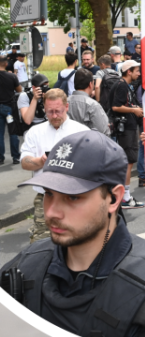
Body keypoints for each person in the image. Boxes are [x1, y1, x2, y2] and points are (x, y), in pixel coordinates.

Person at [0, 133, 145, 337]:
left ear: (113, 199)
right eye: (49, 194)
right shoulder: (23, 267)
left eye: (73, 197)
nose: (52, 212)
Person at [20, 88, 88, 243]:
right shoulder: (35, 132)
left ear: (67, 107)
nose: (55, 116)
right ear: (44, 109)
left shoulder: (82, 132)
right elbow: (25, 162)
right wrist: (41, 161)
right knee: (41, 243)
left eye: (58, 111)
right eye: (50, 112)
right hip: (45, 196)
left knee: (76, 240)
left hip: (74, 196)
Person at [108, 60, 145, 209]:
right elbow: (116, 106)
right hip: (126, 129)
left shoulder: (124, 85)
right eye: (137, 71)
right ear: (129, 71)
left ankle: (124, 195)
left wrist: (133, 107)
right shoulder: (122, 85)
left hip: (128, 127)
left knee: (127, 162)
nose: (139, 73)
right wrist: (134, 110)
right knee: (129, 162)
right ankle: (125, 197)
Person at [67, 69, 110, 135]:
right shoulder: (93, 105)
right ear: (90, 84)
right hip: (88, 142)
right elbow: (102, 131)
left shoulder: (64, 102)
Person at [0, 55, 21, 164]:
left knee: (0, 133)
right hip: (9, 108)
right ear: (6, 64)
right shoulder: (11, 76)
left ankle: (0, 157)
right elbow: (19, 89)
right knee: (13, 132)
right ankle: (15, 157)